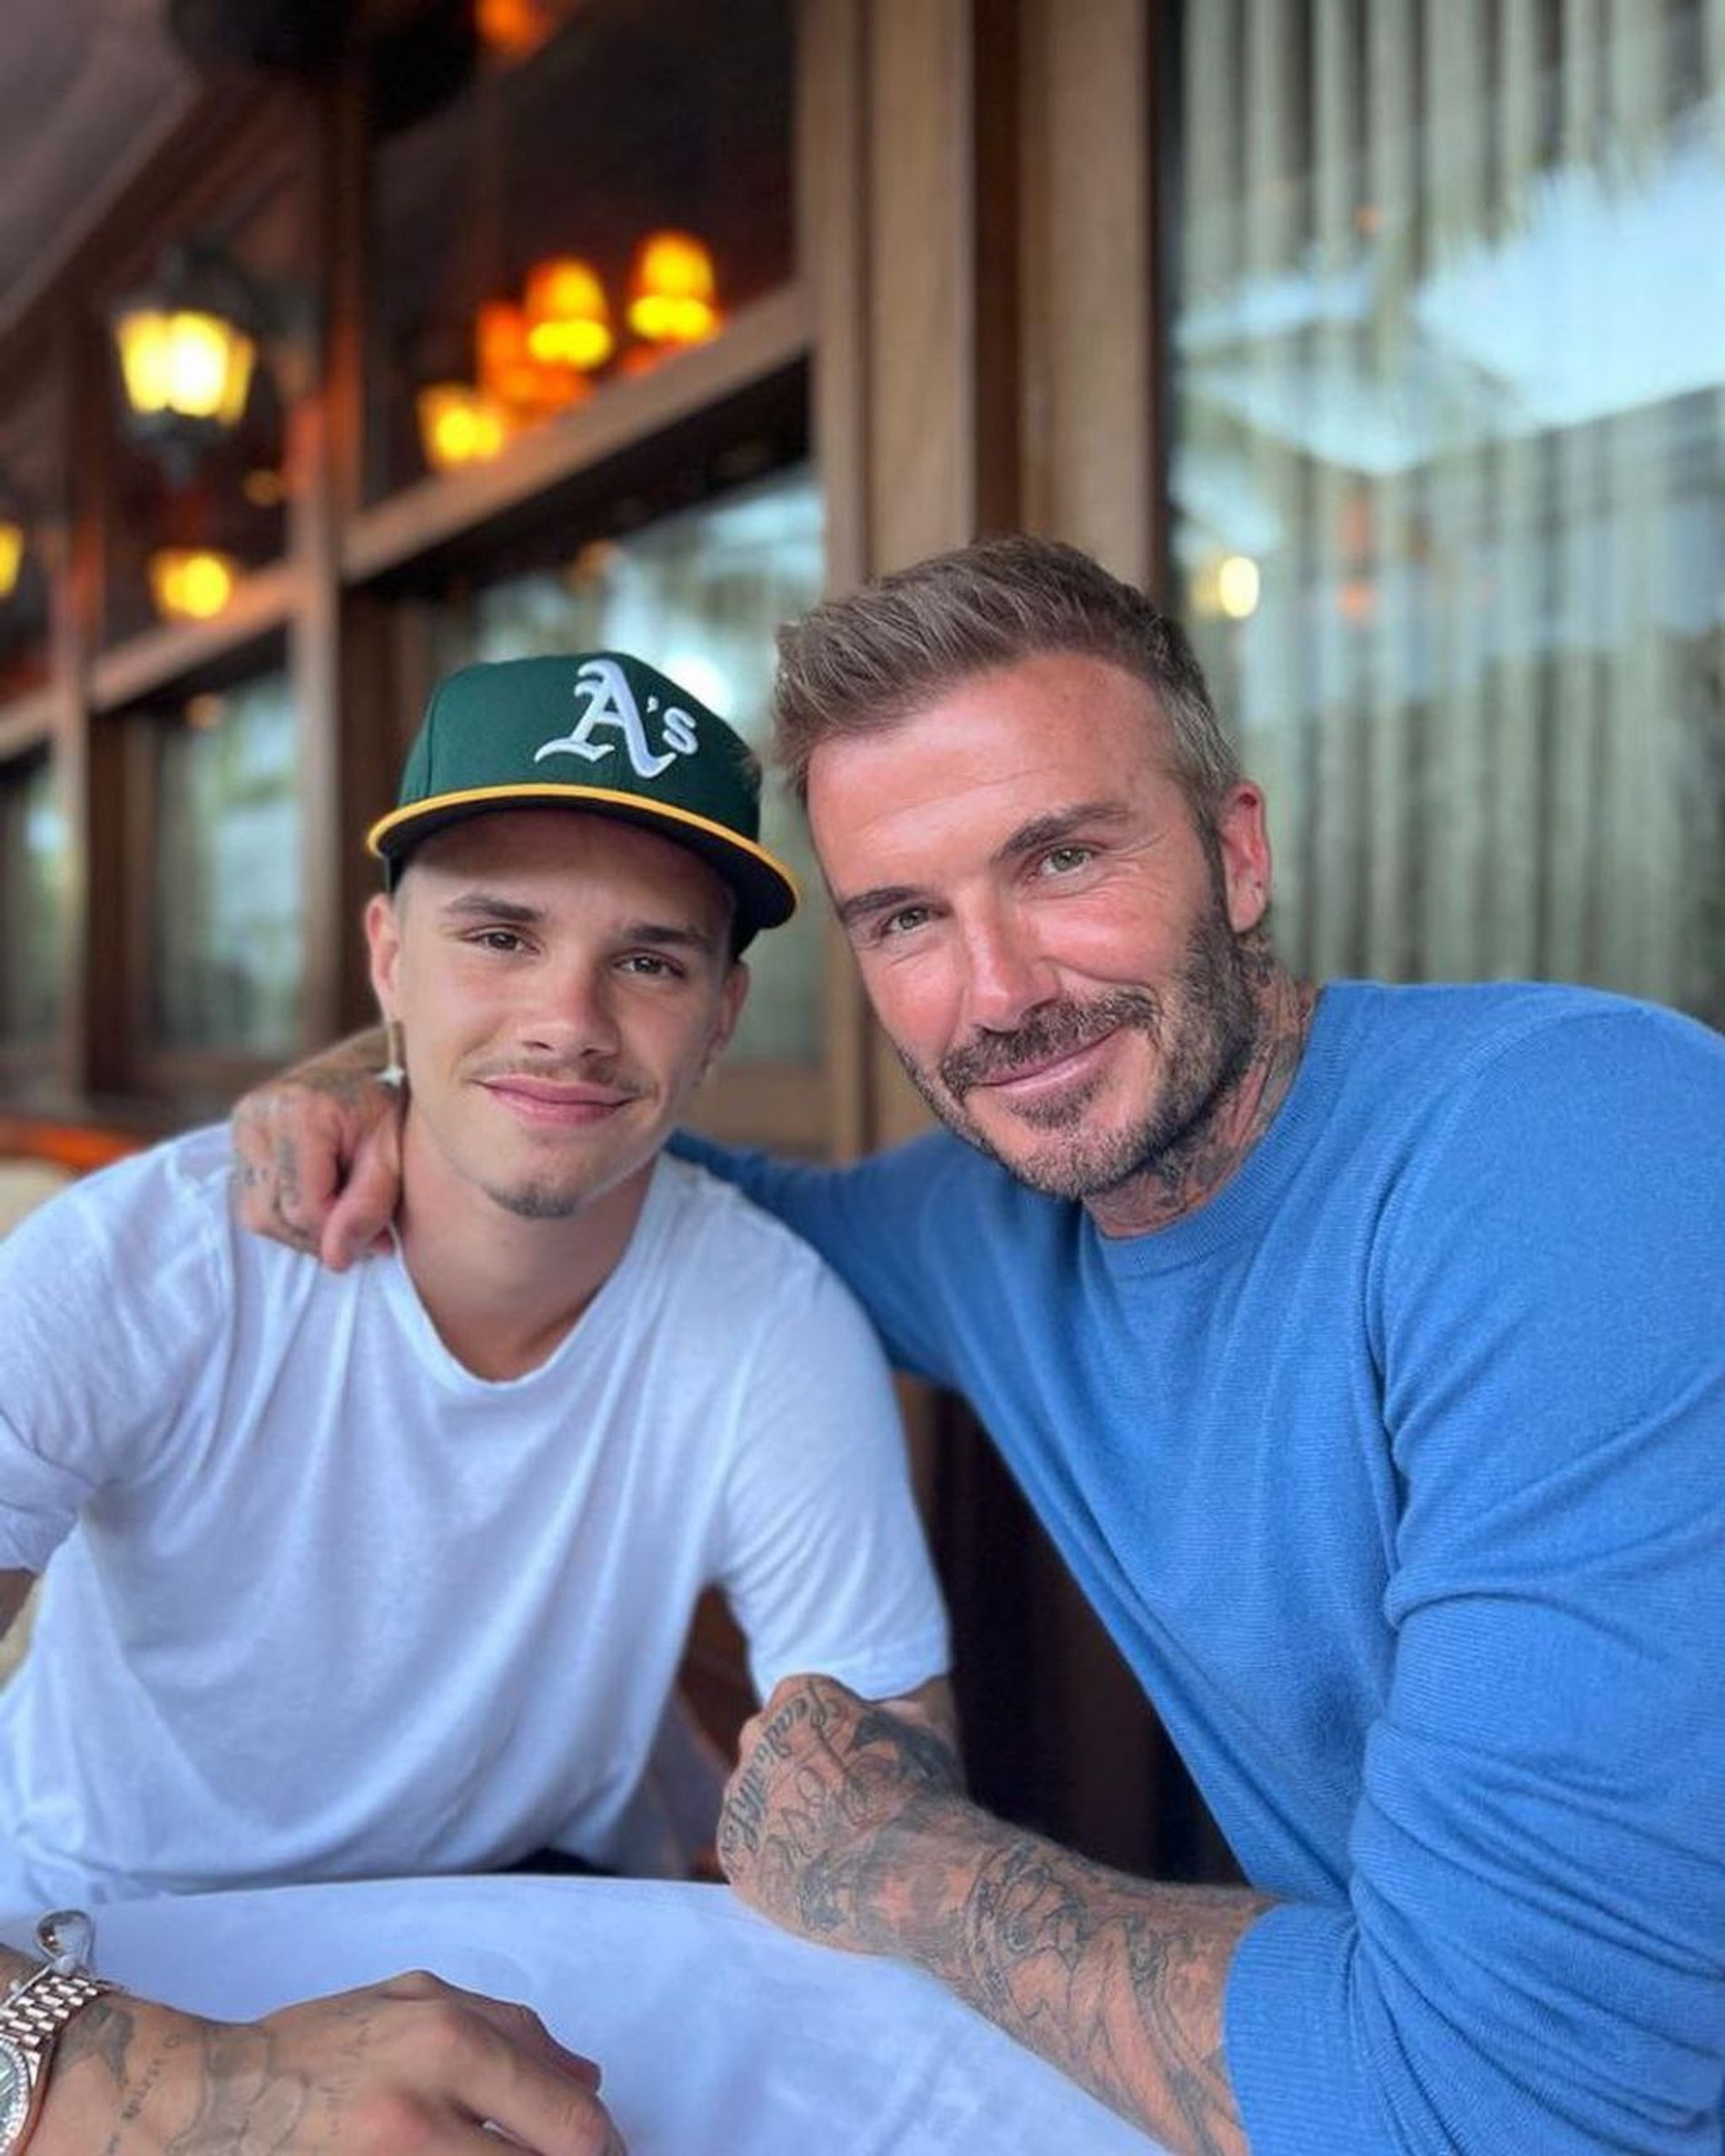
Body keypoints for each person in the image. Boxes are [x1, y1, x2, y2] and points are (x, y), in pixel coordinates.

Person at [231, 542, 1725, 2156]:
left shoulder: (1581, 1153)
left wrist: (901, 1859)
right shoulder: (989, 1225)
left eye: (1063, 860)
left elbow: (1518, 2106)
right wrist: (378, 1069)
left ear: (1237, 855)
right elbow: (609, 1145)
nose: (999, 994)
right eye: (906, 919)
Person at [0, 649, 951, 2155]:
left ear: (720, 1015)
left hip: (522, 1949)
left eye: (650, 963)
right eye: (499, 935)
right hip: (102, 1947)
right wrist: (187, 2090)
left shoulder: (771, 1318)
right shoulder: (144, 1264)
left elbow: (889, 1794)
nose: (569, 1019)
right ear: (388, 957)